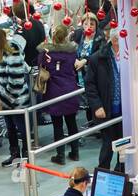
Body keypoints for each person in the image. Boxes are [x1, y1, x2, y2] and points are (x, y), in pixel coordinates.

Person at [0, 27, 32, 168]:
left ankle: (26, 155)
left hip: (17, 101)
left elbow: (16, 82)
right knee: (11, 128)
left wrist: (3, 101)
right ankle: (15, 155)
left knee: (22, 129)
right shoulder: (0, 53)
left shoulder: (13, 52)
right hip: (7, 99)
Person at [83, 23, 123, 170]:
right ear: (112, 39)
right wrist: (97, 106)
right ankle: (103, 173)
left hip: (126, 111)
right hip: (107, 109)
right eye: (117, 38)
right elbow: (90, 85)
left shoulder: (129, 56)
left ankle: (121, 172)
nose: (119, 41)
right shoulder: (97, 58)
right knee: (108, 145)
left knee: (124, 145)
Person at [40, 25, 82, 164]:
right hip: (70, 90)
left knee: (57, 125)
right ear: (66, 37)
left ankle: (60, 155)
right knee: (72, 123)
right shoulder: (71, 53)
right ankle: (75, 152)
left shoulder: (46, 53)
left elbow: (39, 63)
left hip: (54, 92)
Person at [9, 1, 45, 70]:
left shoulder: (20, 33)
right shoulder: (38, 22)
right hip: (43, 61)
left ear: (15, 14)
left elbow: (17, 57)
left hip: (31, 67)